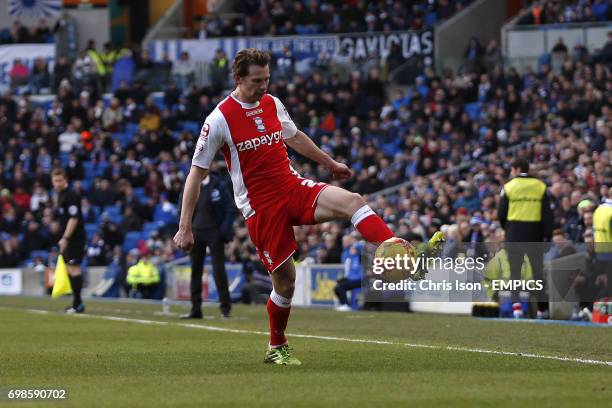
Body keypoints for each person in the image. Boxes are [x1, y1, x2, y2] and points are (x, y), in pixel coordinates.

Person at [174, 48, 398, 366]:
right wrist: (185, 227)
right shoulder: (219, 119)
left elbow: (294, 137)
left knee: (353, 201)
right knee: (286, 282)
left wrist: (330, 163)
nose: (264, 85)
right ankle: (276, 346)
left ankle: (394, 250)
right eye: (256, 80)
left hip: (292, 188)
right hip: (262, 208)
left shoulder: (272, 103)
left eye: (267, 78)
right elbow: (196, 175)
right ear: (238, 78)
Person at [498, 157, 553, 318]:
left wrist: (507, 229)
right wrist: (547, 236)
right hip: (534, 234)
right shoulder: (541, 187)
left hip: (514, 234)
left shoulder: (508, 187)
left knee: (515, 272)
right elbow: (547, 215)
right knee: (537, 273)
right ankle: (543, 309)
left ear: (516, 169)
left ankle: (516, 308)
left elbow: (501, 213)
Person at [178, 172, 236, 319]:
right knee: (195, 270)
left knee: (219, 270)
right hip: (195, 232)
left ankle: (225, 308)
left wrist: (223, 231)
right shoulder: (191, 184)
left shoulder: (219, 185)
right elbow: (182, 208)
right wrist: (184, 230)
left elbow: (230, 208)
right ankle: (195, 308)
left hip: (214, 232)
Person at [51, 168, 86, 313]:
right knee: (69, 269)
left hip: (74, 238)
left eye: (60, 180)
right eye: (55, 181)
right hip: (67, 238)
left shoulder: (71, 195)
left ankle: (78, 304)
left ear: (65, 180)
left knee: (74, 268)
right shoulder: (60, 195)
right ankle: (77, 303)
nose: (57, 183)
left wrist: (65, 238)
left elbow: (74, 218)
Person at [334, 234, 363, 312]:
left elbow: (361, 245)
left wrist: (354, 245)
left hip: (359, 279)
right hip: (350, 278)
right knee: (337, 287)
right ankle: (343, 304)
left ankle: (346, 305)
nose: (352, 250)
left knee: (341, 287)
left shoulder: (360, 255)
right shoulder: (349, 255)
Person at [592, 192, 612, 298]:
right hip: (610, 254)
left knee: (604, 285)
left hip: (600, 252)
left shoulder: (598, 210)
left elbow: (593, 231)